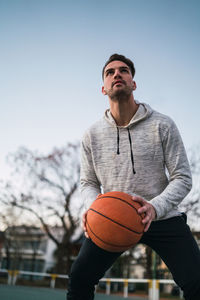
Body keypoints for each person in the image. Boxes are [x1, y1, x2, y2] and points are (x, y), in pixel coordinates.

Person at [67, 54, 200, 300]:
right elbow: (88, 182)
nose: (117, 74)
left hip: (161, 216)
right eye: (110, 72)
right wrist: (93, 206)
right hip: (113, 216)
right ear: (103, 88)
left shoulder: (162, 124)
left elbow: (182, 177)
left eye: (124, 70)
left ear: (133, 83)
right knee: (80, 277)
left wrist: (155, 207)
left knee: (197, 281)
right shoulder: (91, 135)